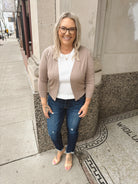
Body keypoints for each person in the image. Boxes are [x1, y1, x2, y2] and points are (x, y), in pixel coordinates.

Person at [38, 12, 94, 171]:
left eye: (71, 29)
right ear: (57, 30)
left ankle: (69, 152)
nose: (67, 33)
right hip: (55, 102)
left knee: (72, 129)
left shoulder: (85, 53)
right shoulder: (48, 53)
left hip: (77, 102)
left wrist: (87, 103)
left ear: (76, 32)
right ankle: (59, 149)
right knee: (53, 131)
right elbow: (42, 80)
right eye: (63, 28)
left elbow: (90, 80)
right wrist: (43, 103)